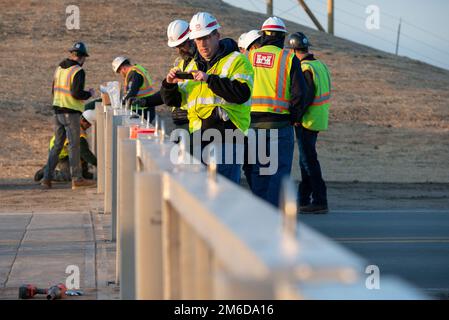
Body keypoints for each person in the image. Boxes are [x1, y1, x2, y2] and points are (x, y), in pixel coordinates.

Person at [160, 12, 254, 183]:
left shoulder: (237, 60)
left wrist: (209, 79)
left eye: (206, 38)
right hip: (198, 139)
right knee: (205, 198)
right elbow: (175, 101)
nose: (202, 44)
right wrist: (169, 84)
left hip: (228, 137)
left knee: (224, 196)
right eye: (198, 39)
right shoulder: (192, 65)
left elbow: (241, 94)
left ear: (217, 36)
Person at [246, 17, 308, 207]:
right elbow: (300, 93)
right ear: (282, 37)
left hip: (253, 125)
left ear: (262, 35)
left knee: (259, 170)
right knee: (279, 172)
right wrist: (294, 117)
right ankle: (274, 216)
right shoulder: (288, 58)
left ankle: (259, 213)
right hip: (280, 126)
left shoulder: (248, 57)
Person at [287, 32, 331, 214]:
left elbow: (303, 97)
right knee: (306, 160)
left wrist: (295, 118)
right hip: (318, 118)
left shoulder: (304, 68)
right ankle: (303, 199)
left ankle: (320, 200)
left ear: (294, 50)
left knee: (309, 161)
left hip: (307, 120)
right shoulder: (319, 65)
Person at [42, 42, 96, 190]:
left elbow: (54, 89)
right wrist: (89, 94)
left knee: (57, 145)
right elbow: (76, 93)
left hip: (58, 110)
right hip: (71, 112)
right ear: (83, 57)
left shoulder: (59, 68)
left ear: (72, 54)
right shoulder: (78, 71)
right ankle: (77, 179)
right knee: (74, 146)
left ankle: (47, 178)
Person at [35, 110, 97, 182]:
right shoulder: (79, 133)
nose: (89, 126)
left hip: (66, 151)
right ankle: (46, 172)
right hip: (61, 155)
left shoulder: (76, 125)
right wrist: (97, 163)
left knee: (79, 159)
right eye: (88, 124)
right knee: (69, 176)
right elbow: (85, 153)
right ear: (82, 120)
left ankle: (83, 173)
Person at [166, 19, 198, 129]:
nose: (180, 50)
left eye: (182, 44)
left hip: (195, 121)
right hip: (182, 121)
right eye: (177, 47)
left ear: (192, 39)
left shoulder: (203, 62)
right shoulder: (180, 63)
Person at [111, 56, 163, 122]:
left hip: (142, 110)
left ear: (122, 68)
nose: (121, 74)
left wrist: (119, 102)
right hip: (147, 107)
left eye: (119, 72)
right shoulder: (138, 69)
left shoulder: (134, 74)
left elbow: (131, 93)